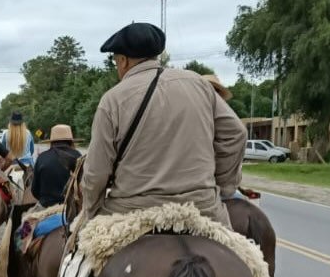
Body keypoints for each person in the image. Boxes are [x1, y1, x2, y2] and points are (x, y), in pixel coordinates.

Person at [80, 22, 245, 227]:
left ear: (123, 61)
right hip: (202, 209)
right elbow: (236, 134)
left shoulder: (112, 99)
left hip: (131, 212)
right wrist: (221, 186)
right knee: (242, 255)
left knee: (77, 255)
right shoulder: (199, 83)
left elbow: (96, 172)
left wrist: (90, 211)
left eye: (116, 62)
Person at [31, 123, 81, 208]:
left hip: (47, 207)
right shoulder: (78, 156)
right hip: (72, 208)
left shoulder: (42, 158)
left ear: (52, 142)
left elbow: (34, 190)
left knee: (26, 219)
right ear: (71, 141)